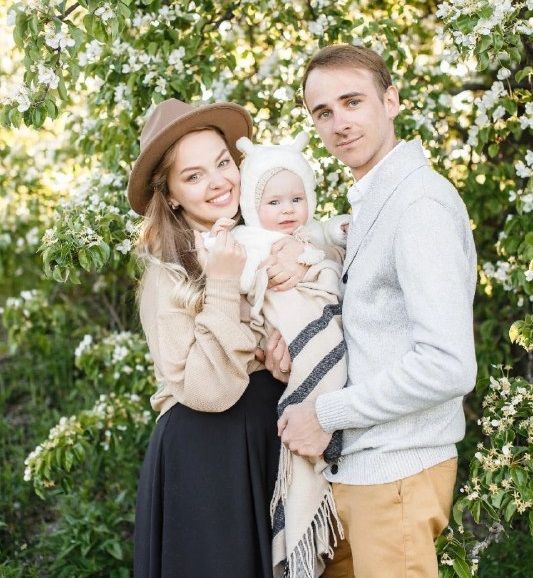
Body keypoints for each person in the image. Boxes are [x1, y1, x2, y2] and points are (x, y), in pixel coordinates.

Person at [276, 44, 478, 578]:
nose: (339, 123)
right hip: (357, 471)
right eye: (323, 112)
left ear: (390, 101)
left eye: (352, 101)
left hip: (398, 474)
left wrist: (325, 414)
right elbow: (373, 331)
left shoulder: (419, 204)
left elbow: (448, 365)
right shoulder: (372, 203)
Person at [127, 98, 303, 578]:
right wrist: (222, 284)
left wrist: (291, 344)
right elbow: (209, 392)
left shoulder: (269, 240)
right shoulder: (166, 276)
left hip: (270, 444)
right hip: (205, 460)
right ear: (171, 195)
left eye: (223, 163)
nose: (219, 182)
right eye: (194, 175)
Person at [203, 132, 349, 577]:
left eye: (296, 199)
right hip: (284, 334)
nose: (287, 210)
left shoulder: (308, 233)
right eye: (274, 202)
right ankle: (320, 429)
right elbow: (236, 272)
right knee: (312, 378)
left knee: (333, 367)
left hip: (324, 329)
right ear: (253, 205)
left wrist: (322, 245)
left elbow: (334, 234)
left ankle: (329, 422)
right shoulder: (249, 239)